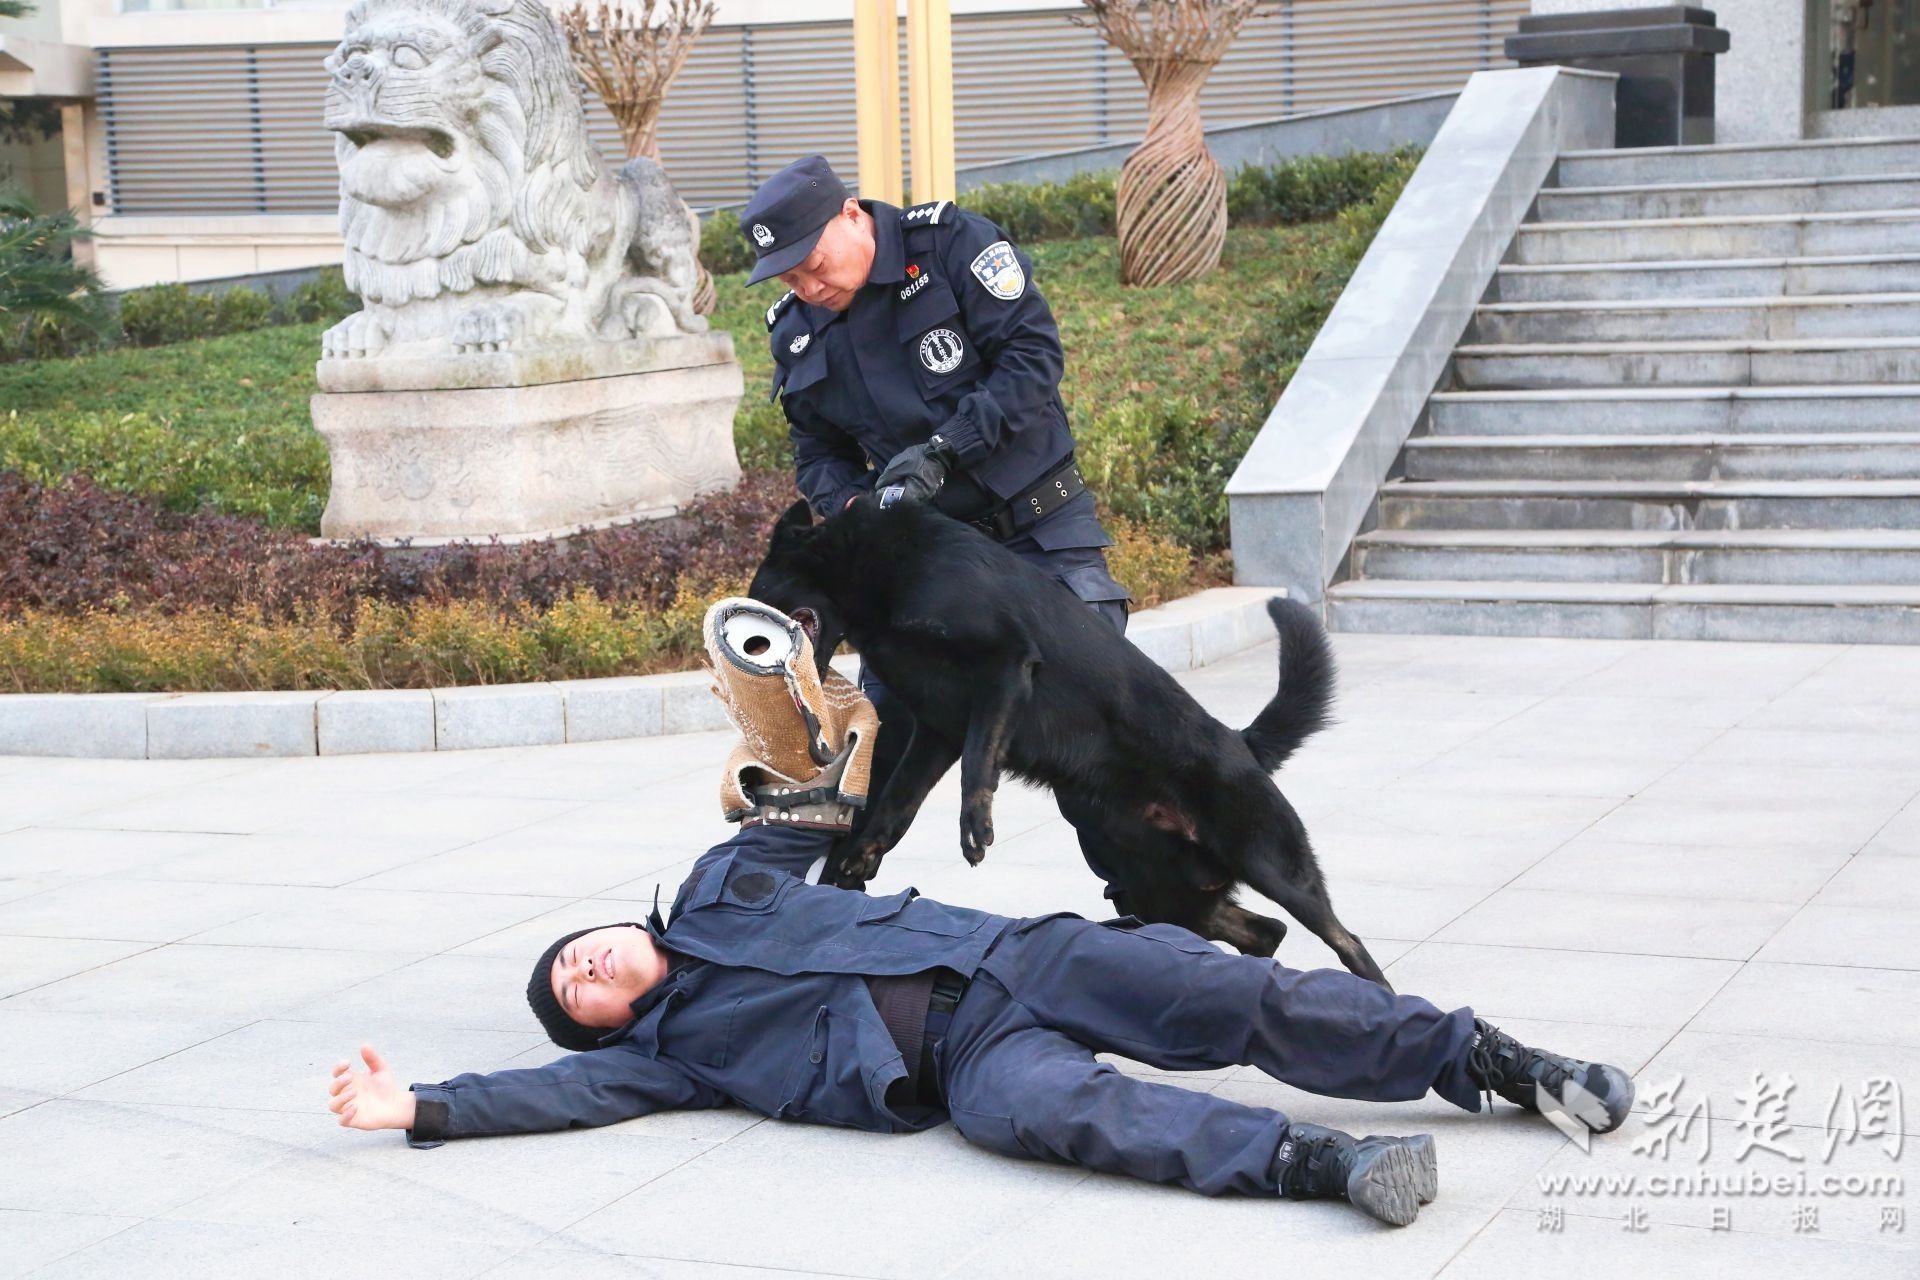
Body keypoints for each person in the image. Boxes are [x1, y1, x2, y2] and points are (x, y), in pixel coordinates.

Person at [327, 821, 1637, 1227]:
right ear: (608, 1025)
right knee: (1053, 1117)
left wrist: (823, 736)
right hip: (968, 1060)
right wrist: (421, 1108)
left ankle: (1501, 1064)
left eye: (582, 948)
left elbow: (818, 796)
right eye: (581, 990)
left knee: (1238, 996)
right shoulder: (675, 1057)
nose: (593, 963)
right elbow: (547, 1094)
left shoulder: (724, 889)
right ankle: (1329, 1165)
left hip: (1017, 957)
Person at [737, 153, 1131, 895]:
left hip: (1038, 543)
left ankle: (1164, 936)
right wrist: (853, 507)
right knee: (866, 765)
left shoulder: (952, 250)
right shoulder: (796, 331)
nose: (807, 286)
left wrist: (945, 452)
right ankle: (805, 926)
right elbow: (815, 449)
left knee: (1092, 755)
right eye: (788, 277)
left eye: (813, 262)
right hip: (925, 574)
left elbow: (1032, 359)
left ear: (850, 213)